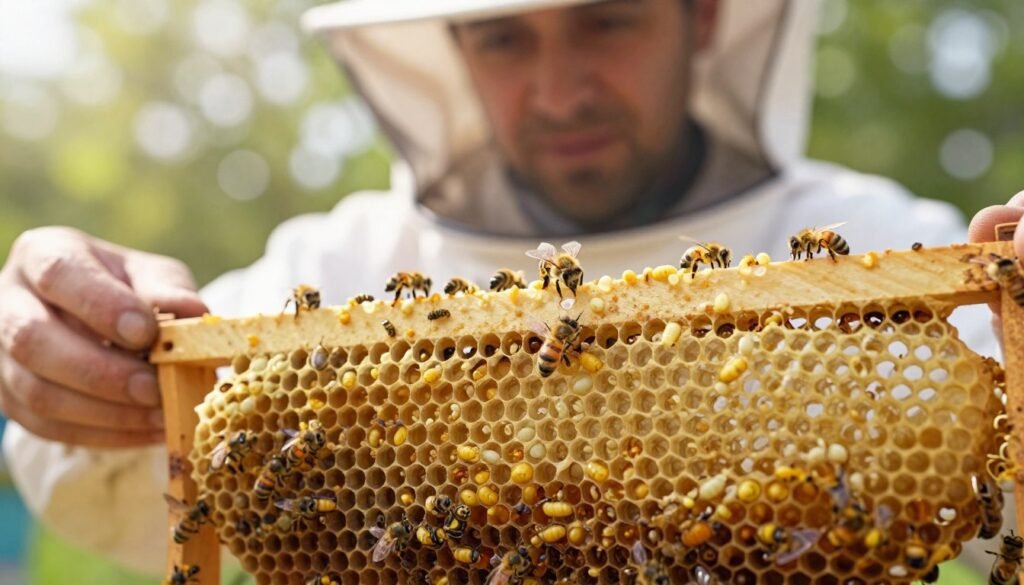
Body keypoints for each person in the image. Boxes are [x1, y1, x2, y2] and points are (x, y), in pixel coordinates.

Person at [0, 0, 1016, 578]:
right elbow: (96, 483)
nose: (562, 89)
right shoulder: (339, 268)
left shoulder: (888, 256)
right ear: (449, 49)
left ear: (701, 18)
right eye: (504, 38)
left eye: (606, 21)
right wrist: (72, 353)